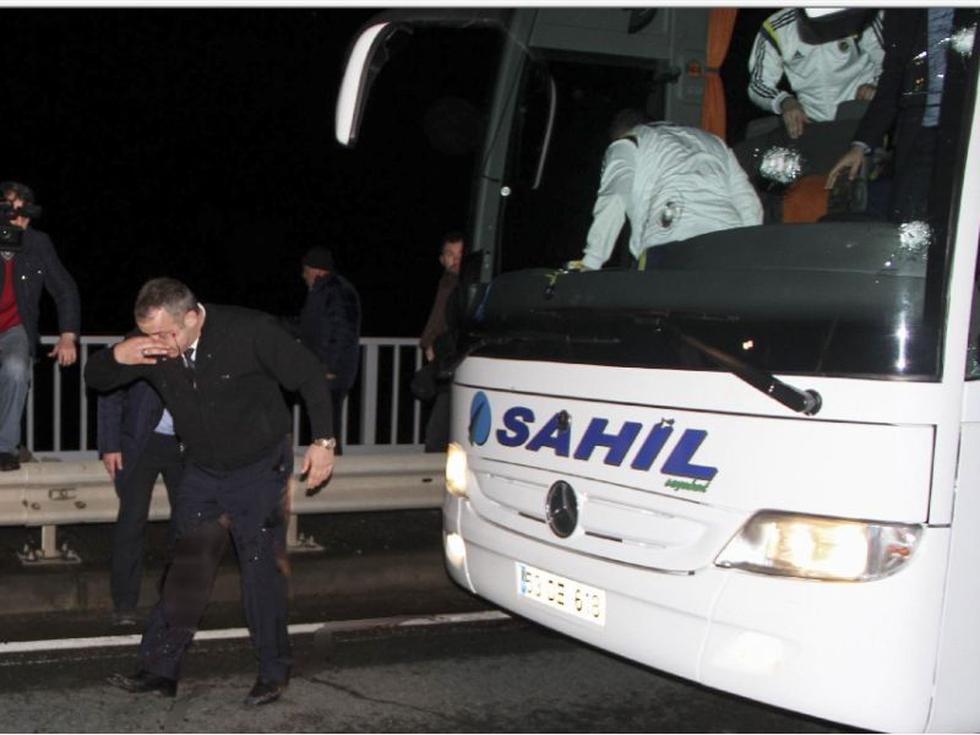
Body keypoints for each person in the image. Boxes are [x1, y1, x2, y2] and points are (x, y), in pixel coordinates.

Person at [85, 277, 336, 706]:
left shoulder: (250, 331)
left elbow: (310, 375)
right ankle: (160, 670)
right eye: (149, 335)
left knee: (259, 567)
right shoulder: (153, 341)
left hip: (259, 466)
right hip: (202, 469)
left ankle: (273, 671)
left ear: (192, 316)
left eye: (166, 334)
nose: (159, 344)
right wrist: (117, 354)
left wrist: (325, 442)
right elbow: (97, 378)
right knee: (188, 566)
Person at [825, 9, 977, 223]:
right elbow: (893, 77)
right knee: (908, 222)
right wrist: (861, 145)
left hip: (972, 129)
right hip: (924, 133)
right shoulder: (903, 12)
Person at [576, 111, 762, 271]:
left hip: (670, 245)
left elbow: (615, 196)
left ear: (620, 133)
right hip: (729, 246)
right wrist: (748, 251)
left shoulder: (627, 143)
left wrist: (592, 260)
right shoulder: (713, 141)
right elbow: (748, 201)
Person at [0, 181, 80, 471]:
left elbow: (64, 289)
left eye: (23, 212)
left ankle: (5, 448)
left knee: (16, 368)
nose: (17, 219)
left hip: (15, 327)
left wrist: (68, 335)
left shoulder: (38, 243)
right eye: (9, 211)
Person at [97, 380, 184, 626]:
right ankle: (124, 603)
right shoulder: (138, 343)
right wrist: (110, 444)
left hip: (185, 442)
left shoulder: (202, 347)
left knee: (190, 523)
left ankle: (179, 597)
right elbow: (110, 389)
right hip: (140, 440)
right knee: (132, 521)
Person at [748, 8, 884, 140]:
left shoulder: (858, 13)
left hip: (860, 114)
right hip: (810, 122)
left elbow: (890, 61)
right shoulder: (777, 27)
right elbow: (758, 84)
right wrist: (784, 102)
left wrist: (876, 86)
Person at [291, 246, 361, 455]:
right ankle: (327, 465)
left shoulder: (338, 291)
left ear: (315, 270)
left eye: (305, 270)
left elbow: (343, 331)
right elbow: (309, 325)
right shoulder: (322, 291)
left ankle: (331, 468)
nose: (303, 275)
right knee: (323, 423)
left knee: (328, 426)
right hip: (319, 369)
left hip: (331, 373)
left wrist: (331, 367)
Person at [418, 232, 463, 452]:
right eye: (450, 254)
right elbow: (437, 318)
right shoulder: (446, 282)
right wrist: (428, 343)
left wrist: (436, 345)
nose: (455, 260)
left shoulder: (466, 285)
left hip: (455, 360)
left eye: (460, 254)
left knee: (439, 431)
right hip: (443, 359)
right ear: (442, 258)